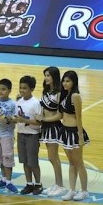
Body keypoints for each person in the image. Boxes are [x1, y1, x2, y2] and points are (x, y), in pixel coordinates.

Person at [59, 70, 90, 201]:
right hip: (65, 132)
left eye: (68, 81)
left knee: (79, 163)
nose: (65, 83)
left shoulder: (75, 96)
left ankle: (84, 190)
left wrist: (81, 136)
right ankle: (72, 189)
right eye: (64, 80)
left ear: (74, 82)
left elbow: (79, 117)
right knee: (71, 163)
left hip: (74, 133)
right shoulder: (65, 94)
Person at [36, 66, 66, 196]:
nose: (46, 78)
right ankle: (56, 184)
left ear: (54, 76)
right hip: (46, 128)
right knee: (52, 158)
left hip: (53, 127)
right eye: (45, 75)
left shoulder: (59, 93)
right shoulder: (46, 91)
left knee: (53, 158)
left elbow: (60, 115)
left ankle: (60, 186)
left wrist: (45, 120)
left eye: (48, 75)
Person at [14, 76, 43, 195]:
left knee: (33, 162)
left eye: (24, 88)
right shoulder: (18, 102)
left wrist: (24, 120)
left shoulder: (36, 103)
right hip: (21, 134)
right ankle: (29, 183)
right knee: (25, 162)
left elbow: (39, 122)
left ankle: (38, 184)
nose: (22, 90)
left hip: (32, 135)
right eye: (20, 88)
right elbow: (17, 118)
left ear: (31, 88)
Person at [0, 78, 18, 193]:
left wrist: (7, 120)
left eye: (4, 89)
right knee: (0, 157)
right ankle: (3, 179)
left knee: (7, 158)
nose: (1, 91)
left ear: (9, 90)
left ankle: (9, 182)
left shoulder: (12, 104)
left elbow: (15, 119)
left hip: (7, 135)